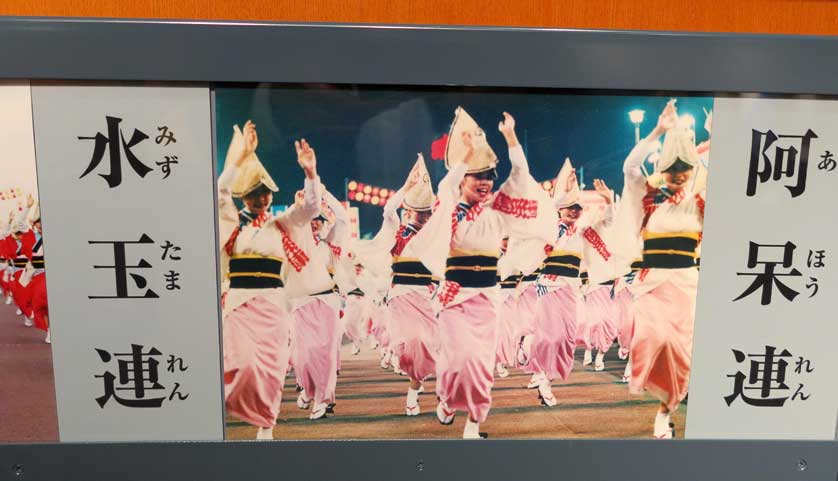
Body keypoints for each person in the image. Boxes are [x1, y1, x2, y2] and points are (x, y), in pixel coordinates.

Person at [412, 107, 556, 438]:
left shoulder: (498, 212)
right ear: (463, 179)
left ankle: (474, 424)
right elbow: (446, 185)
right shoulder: (449, 207)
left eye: (489, 176)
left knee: (480, 366)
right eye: (478, 176)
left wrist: (509, 136)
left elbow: (520, 174)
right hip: (454, 298)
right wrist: (466, 155)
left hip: (487, 300)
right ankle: (447, 399)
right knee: (456, 361)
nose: (485, 182)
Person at [218, 120, 321, 440]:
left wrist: (310, 173)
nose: (260, 198)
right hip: (240, 304)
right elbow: (220, 191)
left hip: (273, 305)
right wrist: (240, 157)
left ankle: (267, 425)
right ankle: (241, 406)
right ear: (245, 196)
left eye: (264, 192)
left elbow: (311, 208)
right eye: (254, 193)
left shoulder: (281, 224)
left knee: (272, 366)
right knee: (242, 363)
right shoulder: (232, 224)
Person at [618, 99, 705, 439]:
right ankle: (658, 401)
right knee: (652, 338)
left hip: (686, 283)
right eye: (672, 167)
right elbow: (629, 166)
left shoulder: (699, 201)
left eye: (685, 167)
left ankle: (663, 413)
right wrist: (658, 130)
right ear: (663, 168)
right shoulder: (648, 196)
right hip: (652, 283)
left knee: (681, 352)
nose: (679, 173)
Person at [357, 154, 436, 416]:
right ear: (409, 210)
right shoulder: (398, 231)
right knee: (408, 345)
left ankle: (416, 388)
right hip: (401, 295)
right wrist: (406, 187)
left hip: (427, 295)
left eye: (428, 213)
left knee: (427, 343)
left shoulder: (434, 235)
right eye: (420, 212)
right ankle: (415, 384)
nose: (424, 217)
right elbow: (388, 210)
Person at [288, 176, 352, 421]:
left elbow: (344, 219)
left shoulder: (330, 244)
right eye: (312, 220)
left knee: (325, 356)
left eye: (320, 220)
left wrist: (324, 195)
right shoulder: (296, 242)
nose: (315, 224)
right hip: (302, 303)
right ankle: (307, 389)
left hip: (327, 302)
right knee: (304, 357)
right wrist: (299, 206)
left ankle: (322, 400)